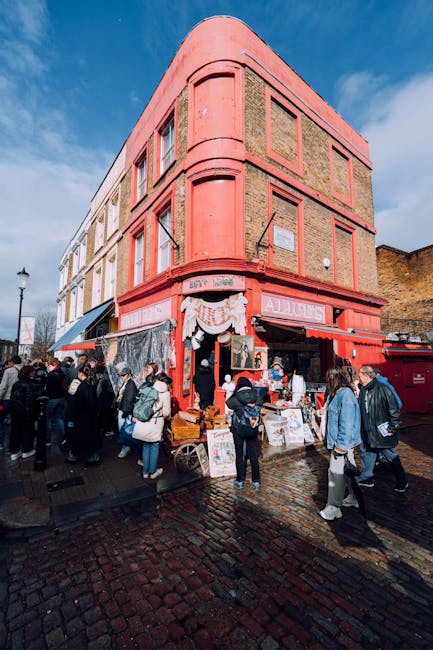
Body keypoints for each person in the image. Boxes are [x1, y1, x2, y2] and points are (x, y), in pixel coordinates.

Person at [319, 368, 361, 521]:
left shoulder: (345, 395)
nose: (327, 382)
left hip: (342, 443)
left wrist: (341, 446)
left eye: (329, 378)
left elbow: (347, 423)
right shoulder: (334, 394)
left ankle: (334, 507)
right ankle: (354, 497)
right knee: (347, 472)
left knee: (335, 473)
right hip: (338, 441)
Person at [357, 365, 407, 492]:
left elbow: (394, 410)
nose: (358, 377)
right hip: (368, 431)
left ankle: (402, 481)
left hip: (381, 432)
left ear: (367, 376)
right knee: (368, 454)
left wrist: (392, 427)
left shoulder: (384, 389)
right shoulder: (363, 389)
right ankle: (366, 478)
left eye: (360, 375)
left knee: (391, 456)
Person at [133, 371, 171, 480]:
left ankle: (145, 472)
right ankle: (153, 472)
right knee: (154, 447)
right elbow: (166, 413)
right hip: (155, 423)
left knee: (146, 446)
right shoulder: (166, 394)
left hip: (143, 422)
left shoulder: (150, 388)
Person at [226, 377, 262, 491]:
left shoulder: (236, 397)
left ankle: (240, 481)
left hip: (239, 428)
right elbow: (260, 404)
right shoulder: (255, 395)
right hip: (252, 427)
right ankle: (256, 482)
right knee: (253, 454)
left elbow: (228, 403)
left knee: (240, 454)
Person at [64, 363, 100, 464]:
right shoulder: (91, 385)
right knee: (89, 438)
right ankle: (91, 456)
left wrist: (71, 418)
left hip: (81, 418)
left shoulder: (81, 387)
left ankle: (77, 456)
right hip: (90, 417)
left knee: (78, 438)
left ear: (80, 373)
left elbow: (75, 405)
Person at [9, 365, 37, 461]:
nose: (35, 373)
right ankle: (26, 450)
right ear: (29, 373)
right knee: (27, 431)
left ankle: (14, 452)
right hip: (25, 413)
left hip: (15, 412)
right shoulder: (29, 385)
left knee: (15, 432)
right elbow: (30, 402)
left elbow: (12, 398)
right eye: (33, 371)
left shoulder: (16, 384)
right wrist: (31, 414)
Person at [0, 355, 23, 451]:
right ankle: (17, 444)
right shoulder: (24, 370)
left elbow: (3, 386)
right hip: (20, 400)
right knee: (17, 422)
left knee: (1, 421)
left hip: (7, 398)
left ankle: (1, 443)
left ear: (13, 362)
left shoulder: (8, 371)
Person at [116, 367, 138, 458]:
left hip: (126, 411)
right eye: (121, 375)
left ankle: (126, 449)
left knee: (125, 430)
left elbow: (130, 400)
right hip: (122, 409)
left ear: (129, 375)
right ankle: (127, 447)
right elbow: (122, 397)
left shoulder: (131, 384)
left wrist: (126, 411)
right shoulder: (126, 383)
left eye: (123, 375)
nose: (122, 377)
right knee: (123, 429)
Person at [45, 358, 66, 445]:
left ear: (54, 365)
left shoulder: (50, 375)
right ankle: (65, 436)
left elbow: (48, 388)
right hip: (61, 398)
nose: (49, 367)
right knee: (59, 418)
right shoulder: (63, 374)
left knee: (48, 419)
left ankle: (48, 439)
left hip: (52, 398)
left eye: (50, 365)